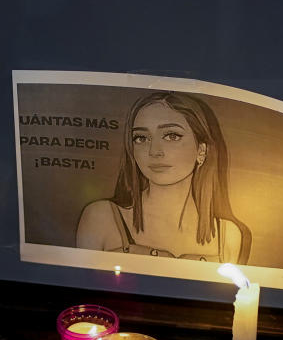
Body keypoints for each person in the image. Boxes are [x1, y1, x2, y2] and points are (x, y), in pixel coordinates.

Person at [76, 91, 251, 264]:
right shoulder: (101, 217)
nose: (154, 151)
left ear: (201, 150)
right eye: (141, 138)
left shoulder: (228, 235)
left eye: (171, 136)